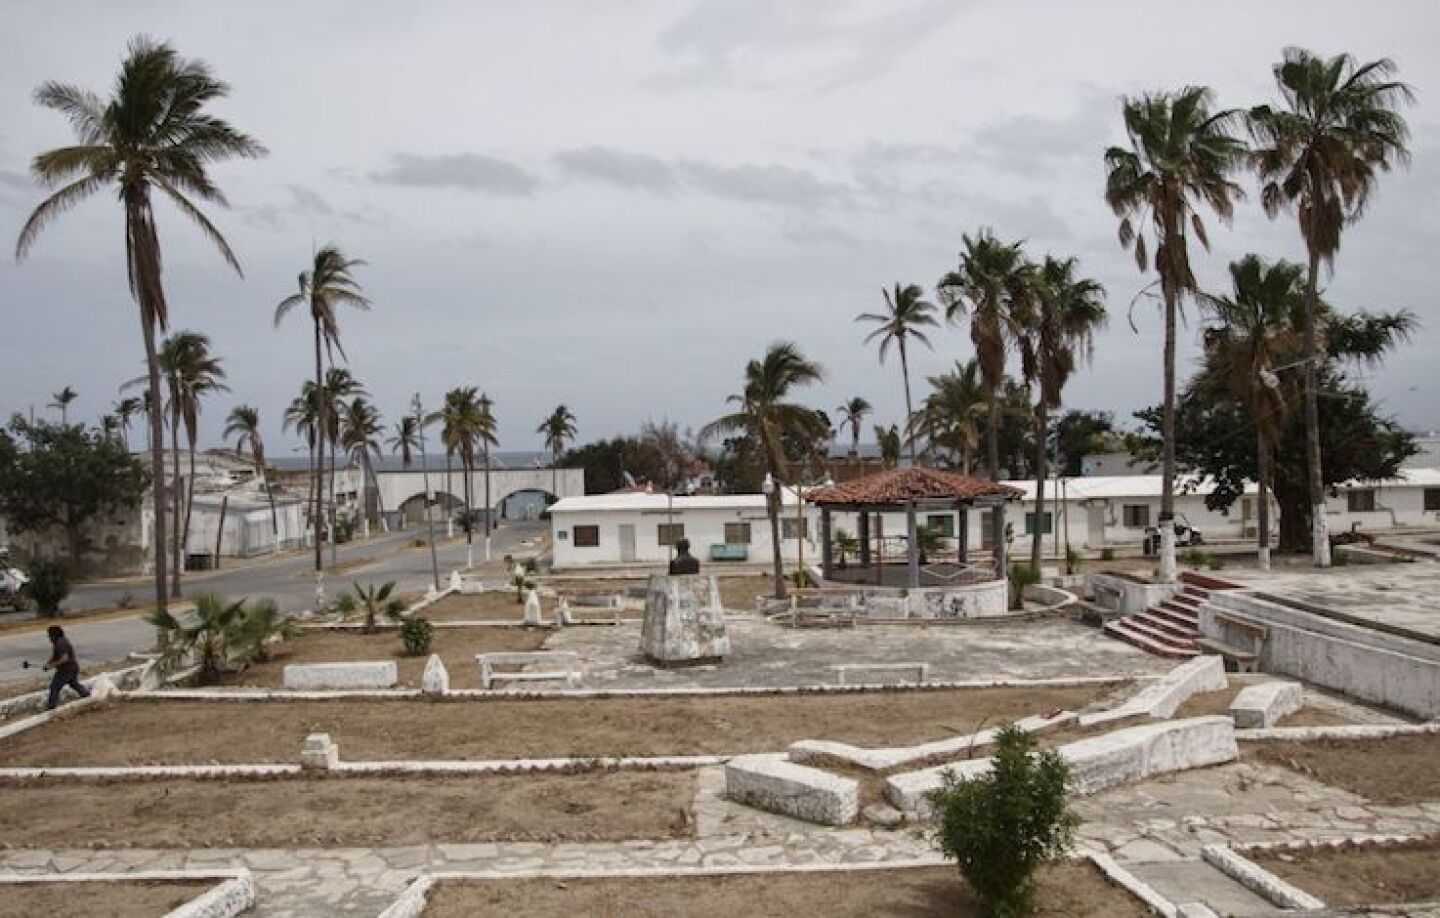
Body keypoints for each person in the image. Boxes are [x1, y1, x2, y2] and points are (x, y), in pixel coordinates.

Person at [44, 625, 90, 710]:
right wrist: (48, 663)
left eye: (49, 635)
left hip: (66, 670)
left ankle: (51, 706)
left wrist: (51, 665)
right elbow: (55, 656)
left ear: (54, 635)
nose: (49, 637)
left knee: (54, 687)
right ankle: (86, 694)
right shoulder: (59, 641)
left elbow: (64, 658)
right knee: (73, 683)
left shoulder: (61, 643)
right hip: (72, 668)